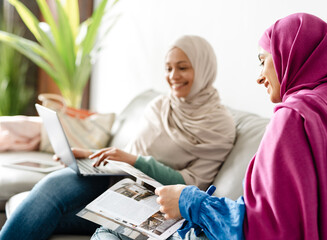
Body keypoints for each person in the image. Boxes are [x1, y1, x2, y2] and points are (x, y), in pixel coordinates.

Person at [0, 35, 236, 240]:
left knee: (44, 215)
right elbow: (134, 151)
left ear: (204, 67)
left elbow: (192, 186)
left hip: (153, 202)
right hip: (117, 178)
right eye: (168, 68)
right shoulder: (160, 105)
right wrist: (94, 156)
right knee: (50, 186)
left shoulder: (219, 125)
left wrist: (135, 161)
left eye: (183, 68)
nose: (173, 76)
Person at [154, 12, 327, 240]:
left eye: (263, 61)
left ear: (290, 57)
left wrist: (190, 202)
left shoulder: (295, 117)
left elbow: (264, 228)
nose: (260, 77)